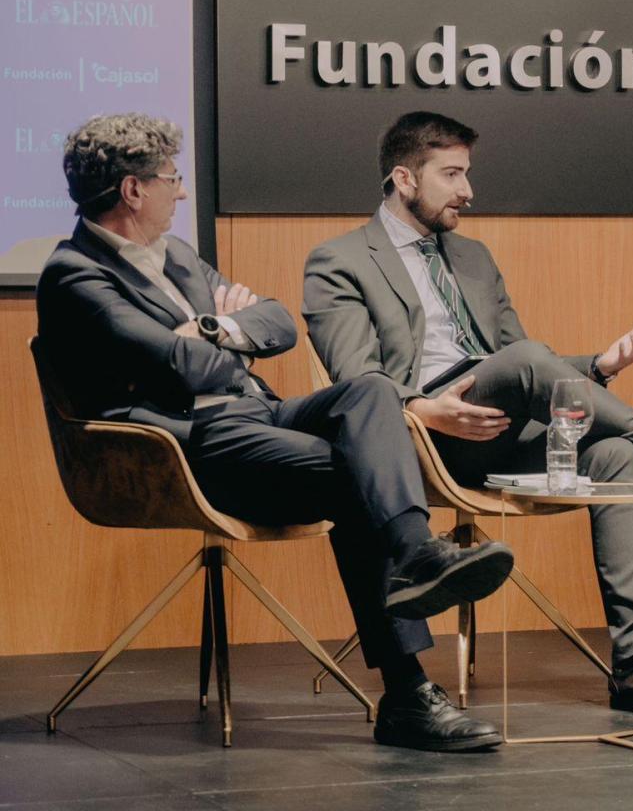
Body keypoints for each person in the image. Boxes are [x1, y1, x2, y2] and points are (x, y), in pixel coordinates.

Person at [37, 113, 513, 752]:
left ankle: (414, 555)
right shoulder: (75, 276)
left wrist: (209, 329)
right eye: (172, 179)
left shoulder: (176, 255)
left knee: (370, 392)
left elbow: (279, 324)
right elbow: (180, 365)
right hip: (188, 441)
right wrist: (225, 334)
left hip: (256, 412)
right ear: (132, 191)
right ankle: (406, 691)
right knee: (358, 476)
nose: (180, 192)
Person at [303, 111, 633, 720]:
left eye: (467, 173)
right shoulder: (340, 260)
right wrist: (423, 408)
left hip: (498, 426)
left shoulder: (473, 257)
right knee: (531, 364)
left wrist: (598, 367)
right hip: (419, 438)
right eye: (451, 175)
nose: (467, 191)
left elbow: (525, 367)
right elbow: (356, 380)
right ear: (403, 178)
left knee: (615, 454)